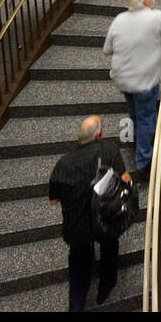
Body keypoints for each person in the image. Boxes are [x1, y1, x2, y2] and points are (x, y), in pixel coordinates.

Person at [48, 115, 131, 311]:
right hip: (103, 217)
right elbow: (126, 179)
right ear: (99, 134)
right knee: (109, 244)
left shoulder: (63, 164)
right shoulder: (109, 150)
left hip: (75, 225)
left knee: (78, 259)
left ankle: (76, 304)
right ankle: (105, 287)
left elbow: (53, 200)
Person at [101, 0, 161, 181]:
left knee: (134, 112)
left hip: (123, 79)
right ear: (146, 0)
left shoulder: (119, 19)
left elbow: (107, 50)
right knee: (145, 117)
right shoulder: (157, 17)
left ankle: (137, 142)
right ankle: (144, 161)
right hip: (144, 80)